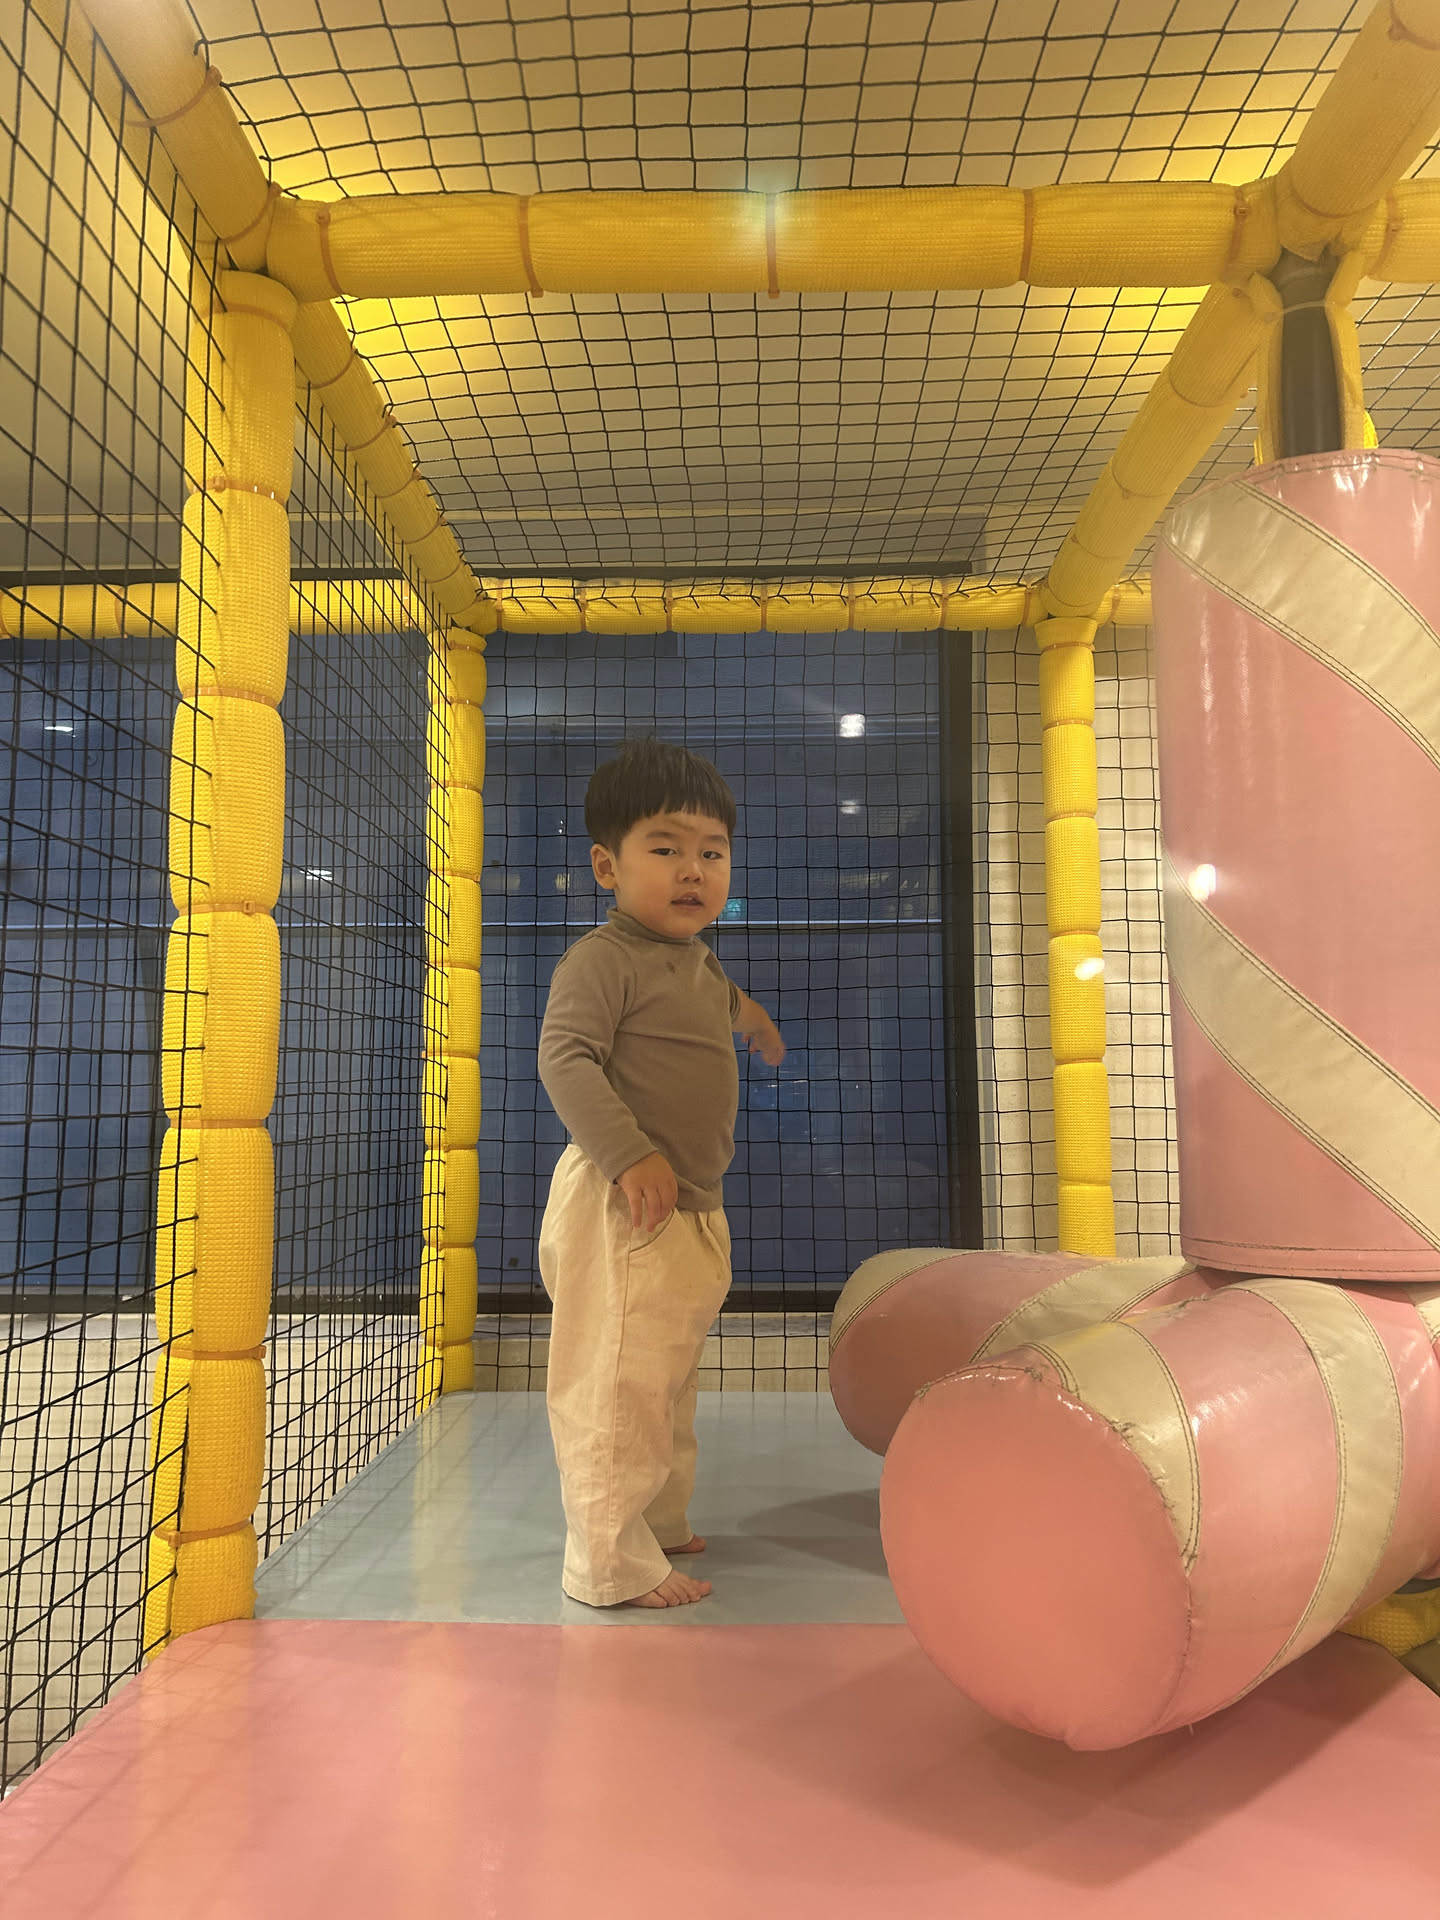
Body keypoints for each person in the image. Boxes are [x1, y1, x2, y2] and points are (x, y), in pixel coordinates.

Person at [537, 737, 785, 1609]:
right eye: (667, 848)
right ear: (607, 866)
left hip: (684, 1207)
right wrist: (629, 1153)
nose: (693, 870)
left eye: (712, 853)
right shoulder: (602, 959)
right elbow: (565, 1058)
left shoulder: (696, 961)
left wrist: (755, 1021)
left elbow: (721, 1002)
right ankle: (608, 1564)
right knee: (616, 1387)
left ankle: (659, 1524)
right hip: (623, 1204)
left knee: (666, 1380)